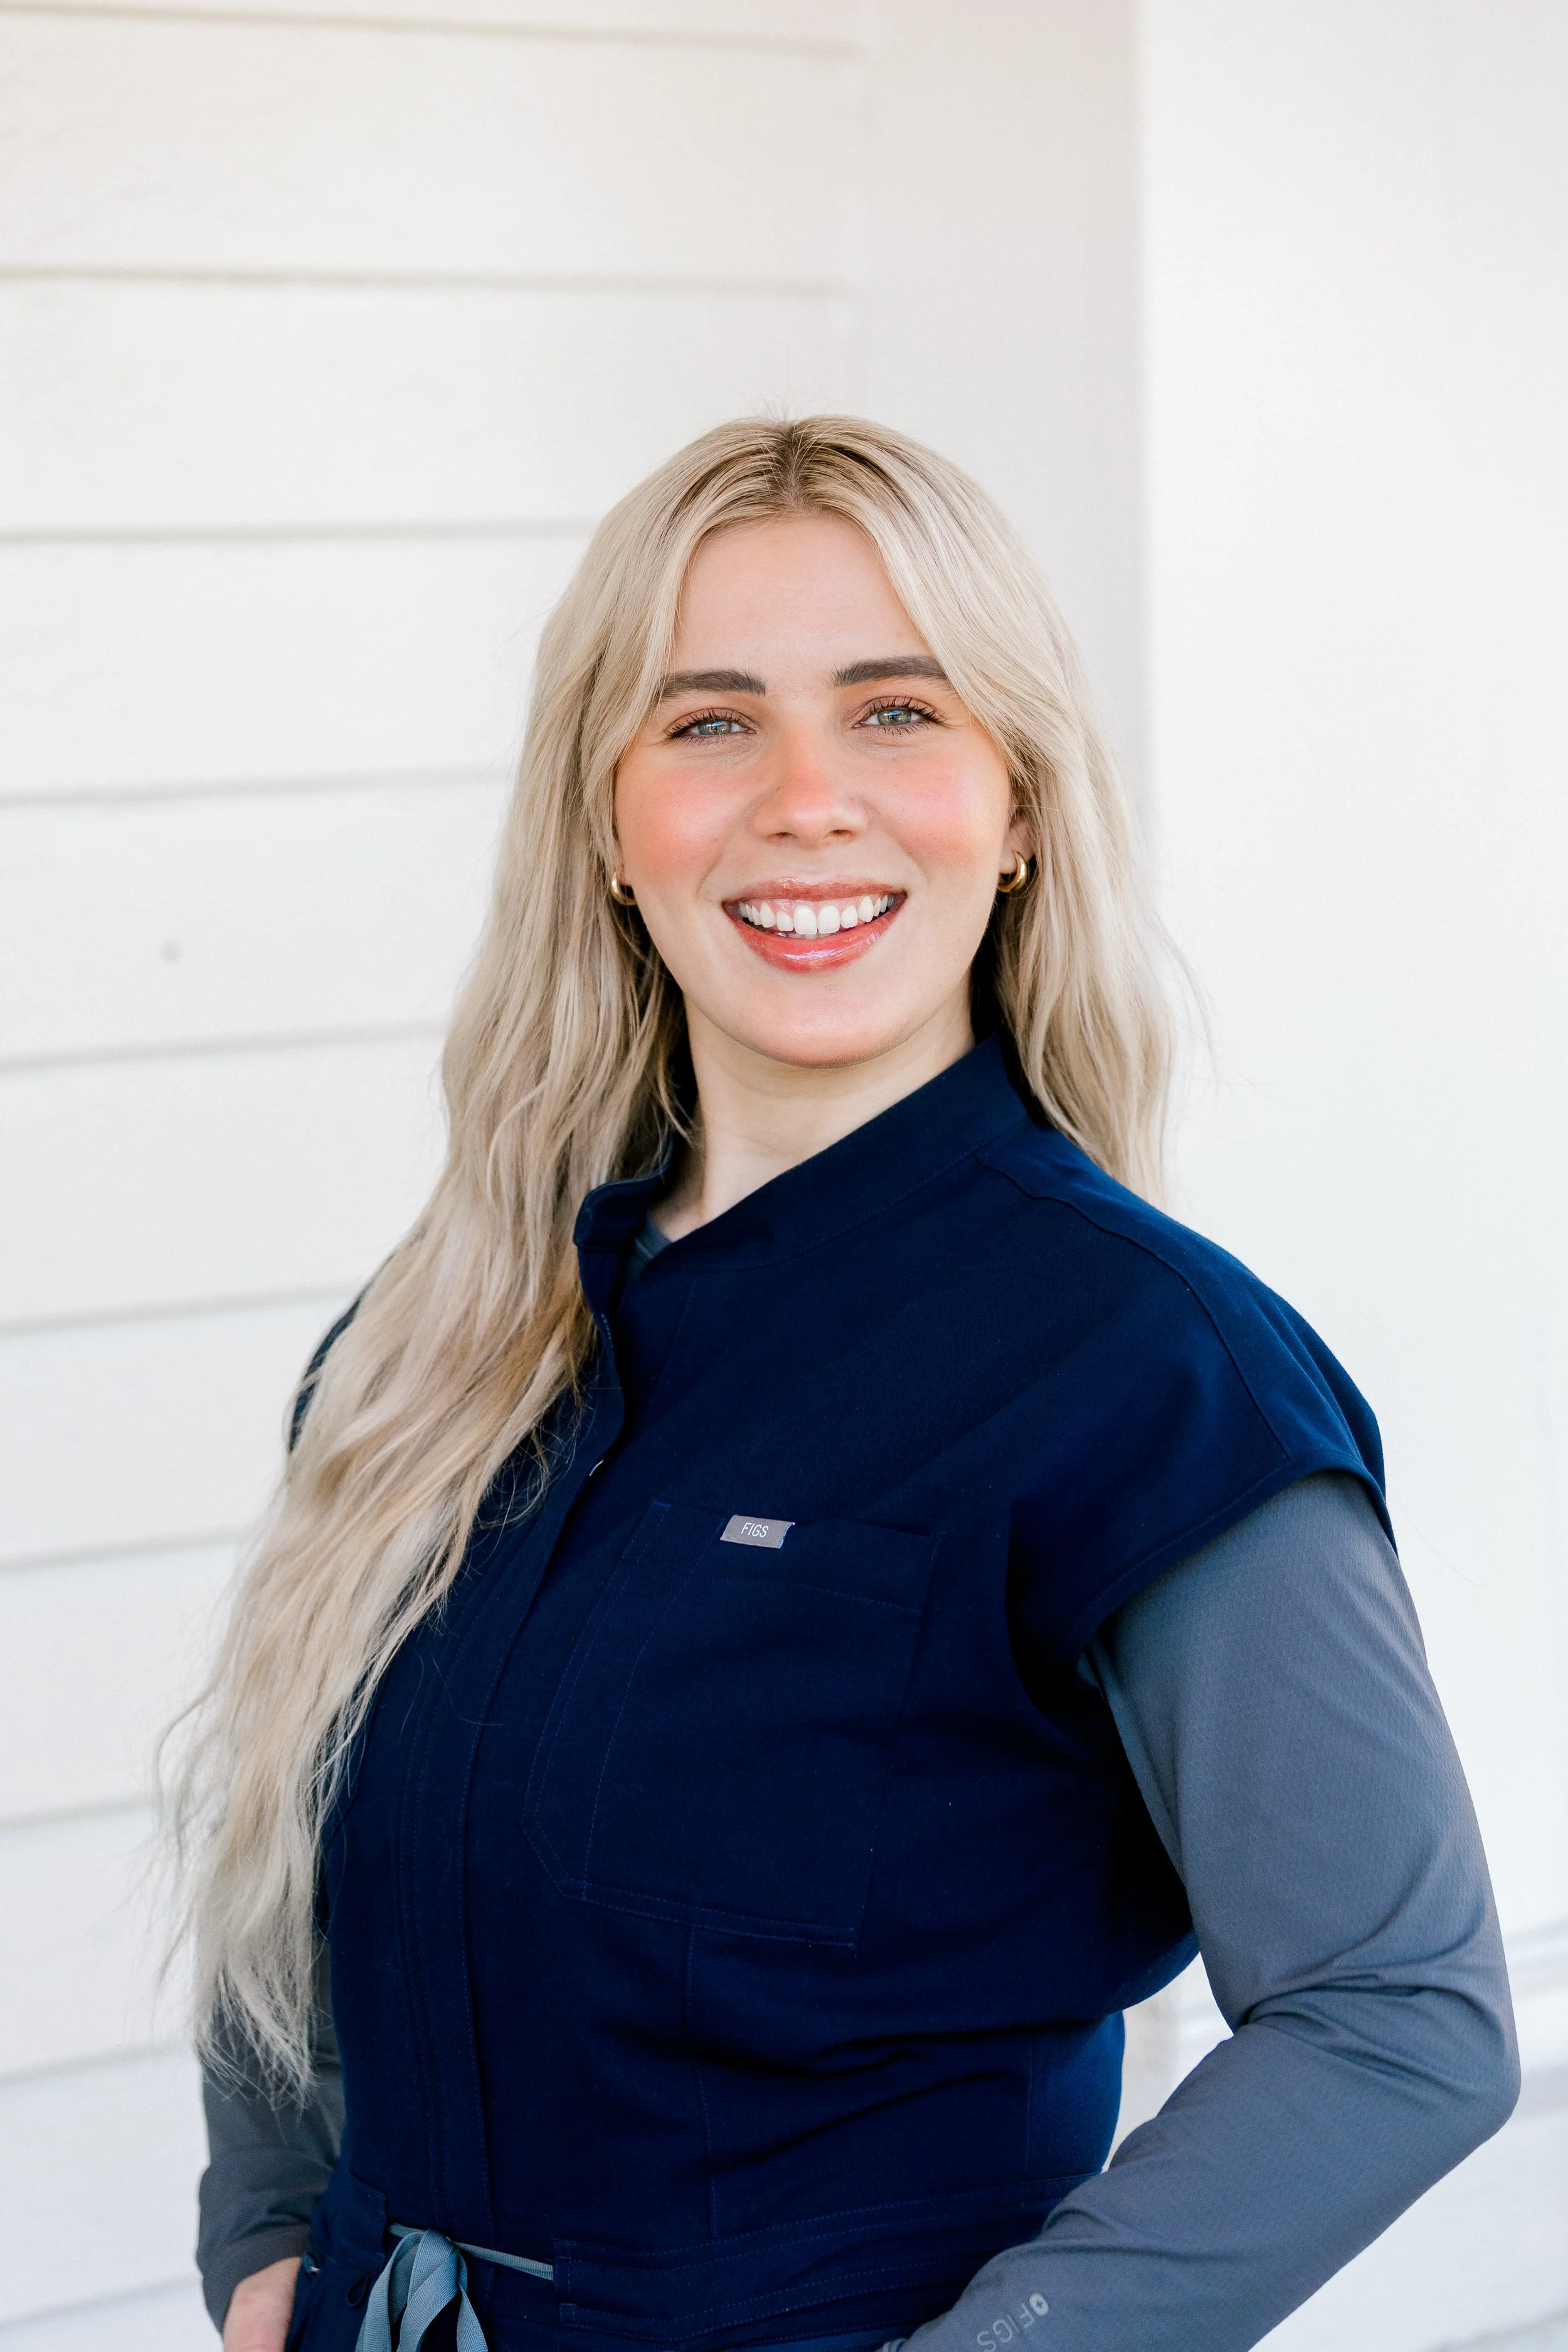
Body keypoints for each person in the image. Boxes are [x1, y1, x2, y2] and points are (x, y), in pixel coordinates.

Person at [174, 417, 1518, 2352]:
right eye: (708, 722)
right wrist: (272, 2237)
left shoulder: (1150, 1376)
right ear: (604, 824)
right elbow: (286, 1843)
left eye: (896, 712)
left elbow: (1395, 2016)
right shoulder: (436, 1334)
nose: (806, 800)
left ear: (1019, 803)